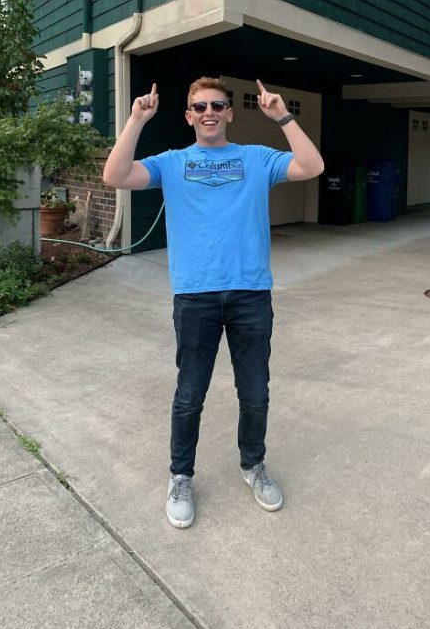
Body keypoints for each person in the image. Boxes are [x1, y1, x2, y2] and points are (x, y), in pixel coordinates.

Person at [103, 76, 324, 528]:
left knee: (255, 392)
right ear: (189, 116)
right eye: (200, 106)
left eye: (217, 105)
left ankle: (253, 465)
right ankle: (180, 476)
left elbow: (312, 165)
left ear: (229, 113)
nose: (209, 112)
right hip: (195, 295)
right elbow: (115, 176)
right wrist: (136, 120)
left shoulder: (257, 158)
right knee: (190, 395)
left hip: (250, 293)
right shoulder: (172, 163)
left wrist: (283, 116)